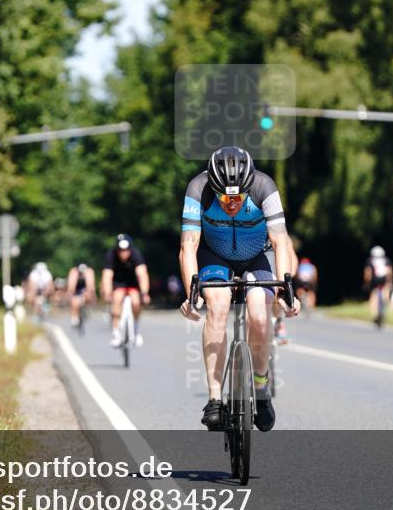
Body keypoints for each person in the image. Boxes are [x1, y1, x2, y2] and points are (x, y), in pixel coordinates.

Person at [179, 146, 300, 432]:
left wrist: (284, 291)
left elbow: (281, 242)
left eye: (237, 196)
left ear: (249, 186)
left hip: (257, 253)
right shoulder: (198, 188)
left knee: (259, 313)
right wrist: (191, 295)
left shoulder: (264, 186)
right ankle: (214, 399)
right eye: (224, 197)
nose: (231, 202)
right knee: (218, 305)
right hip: (214, 255)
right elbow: (188, 247)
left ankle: (260, 386)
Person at [101, 234, 150, 347]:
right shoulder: (111, 255)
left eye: (126, 251)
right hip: (118, 283)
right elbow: (107, 276)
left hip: (133, 283)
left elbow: (142, 274)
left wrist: (144, 293)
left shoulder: (136, 254)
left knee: (136, 301)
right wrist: (108, 293)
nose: (124, 253)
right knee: (117, 299)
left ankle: (136, 330)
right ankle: (116, 332)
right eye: (121, 251)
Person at [363, 246, 392, 324]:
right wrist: (389, 282)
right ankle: (386, 308)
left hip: (375, 280)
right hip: (384, 279)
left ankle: (374, 314)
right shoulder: (386, 260)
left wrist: (367, 283)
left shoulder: (370, 260)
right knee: (386, 292)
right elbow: (389, 271)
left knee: (373, 296)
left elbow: (368, 273)